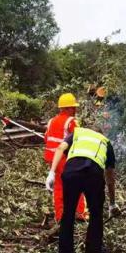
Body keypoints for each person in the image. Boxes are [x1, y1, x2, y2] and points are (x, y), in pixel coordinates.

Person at [45, 126, 119, 253]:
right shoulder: (105, 142)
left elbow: (60, 148)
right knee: (96, 217)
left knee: (68, 215)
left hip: (71, 173)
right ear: (100, 133)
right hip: (93, 176)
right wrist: (112, 203)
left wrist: (52, 172)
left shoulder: (77, 134)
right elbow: (110, 178)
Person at [44, 93, 86, 223]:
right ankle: (79, 214)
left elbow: (46, 138)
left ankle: (60, 216)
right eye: (73, 107)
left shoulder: (51, 121)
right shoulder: (71, 122)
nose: (75, 110)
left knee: (58, 187)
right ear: (68, 108)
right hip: (66, 160)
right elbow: (79, 139)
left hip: (53, 160)